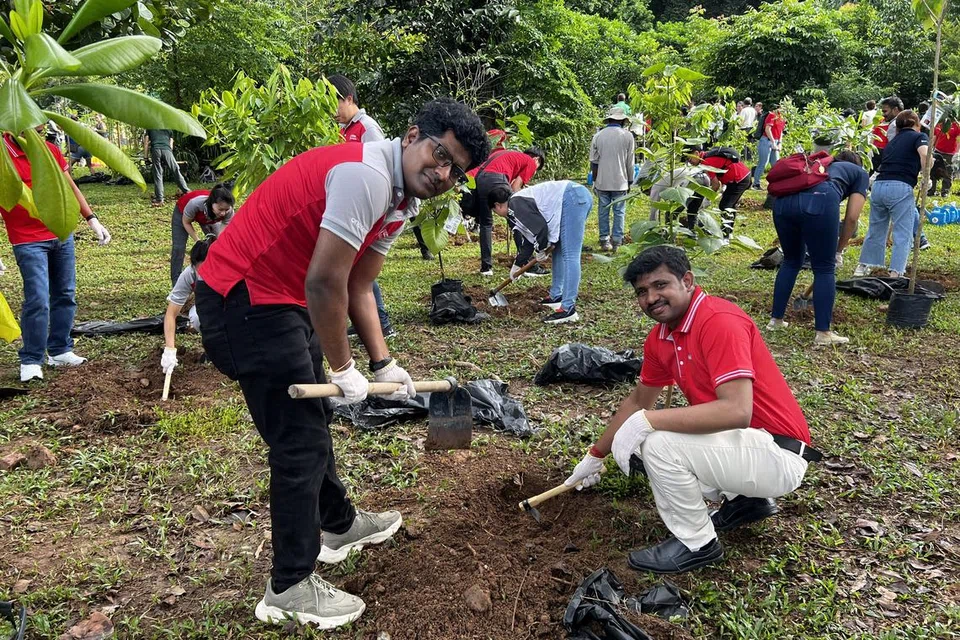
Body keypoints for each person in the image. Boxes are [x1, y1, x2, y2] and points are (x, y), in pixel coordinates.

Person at [194, 98, 488, 628]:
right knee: (298, 441)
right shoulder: (365, 178)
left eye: (455, 170)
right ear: (411, 134)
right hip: (242, 298)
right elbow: (325, 282)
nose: (442, 173)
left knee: (314, 423)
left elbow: (358, 283)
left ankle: (338, 525)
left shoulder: (402, 201)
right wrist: (342, 366)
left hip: (281, 301)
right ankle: (288, 588)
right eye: (438, 155)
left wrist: (383, 363)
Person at [563, 245, 821, 574]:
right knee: (655, 429)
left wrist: (647, 423)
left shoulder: (718, 321)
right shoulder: (661, 338)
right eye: (642, 291)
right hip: (750, 447)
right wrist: (596, 454)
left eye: (660, 285)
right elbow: (639, 401)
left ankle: (697, 544)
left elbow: (737, 411)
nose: (651, 298)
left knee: (656, 442)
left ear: (687, 280)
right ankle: (746, 501)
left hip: (777, 454)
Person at [1, 131, 112, 382]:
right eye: (32, 129)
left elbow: (69, 185)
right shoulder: (3, 154)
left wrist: (91, 218)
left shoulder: (49, 149)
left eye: (40, 130)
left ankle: (60, 350)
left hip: (61, 233)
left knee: (65, 293)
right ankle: (31, 358)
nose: (36, 135)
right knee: (38, 299)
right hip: (27, 240)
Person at [327, 73, 406, 332]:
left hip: (368, 208)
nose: (332, 111)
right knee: (354, 266)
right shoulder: (345, 129)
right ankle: (367, 321)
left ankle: (381, 322)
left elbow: (380, 169)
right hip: (352, 205)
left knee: (358, 267)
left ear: (349, 99)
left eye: (334, 103)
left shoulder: (367, 127)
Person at [767, 151, 868, 346]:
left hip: (782, 204)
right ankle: (823, 333)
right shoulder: (859, 173)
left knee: (791, 261)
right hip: (819, 199)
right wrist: (839, 250)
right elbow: (852, 218)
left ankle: (776, 320)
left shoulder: (817, 165)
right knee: (824, 268)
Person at [489, 180, 593, 324]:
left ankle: (568, 309)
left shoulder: (515, 205)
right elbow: (528, 241)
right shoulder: (516, 207)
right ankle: (556, 296)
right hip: (573, 197)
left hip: (572, 198)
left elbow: (541, 229)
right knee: (559, 252)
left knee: (570, 255)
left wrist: (541, 249)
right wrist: (517, 265)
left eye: (494, 211)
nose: (497, 214)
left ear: (497, 205)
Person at [855, 110, 928, 278]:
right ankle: (896, 273)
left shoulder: (892, 141)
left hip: (879, 187)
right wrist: (926, 175)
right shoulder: (919, 137)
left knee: (876, 229)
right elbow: (925, 154)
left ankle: (863, 266)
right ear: (916, 124)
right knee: (903, 232)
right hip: (900, 187)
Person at [465, 147, 545, 276]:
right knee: (516, 220)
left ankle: (486, 268)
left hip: (480, 180)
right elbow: (515, 187)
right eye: (537, 168)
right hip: (496, 179)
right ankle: (527, 265)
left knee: (486, 223)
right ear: (536, 159)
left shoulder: (505, 154)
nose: (534, 172)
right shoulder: (530, 162)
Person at [161, 238, 212, 376]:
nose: (204, 276)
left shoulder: (233, 269)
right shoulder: (189, 274)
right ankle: (213, 349)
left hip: (234, 307)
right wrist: (170, 350)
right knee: (197, 316)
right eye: (200, 271)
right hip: (209, 306)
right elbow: (171, 314)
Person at [169, 185, 235, 286]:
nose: (223, 213)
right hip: (183, 212)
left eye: (226, 210)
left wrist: (218, 241)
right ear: (212, 203)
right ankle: (176, 282)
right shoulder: (195, 203)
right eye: (220, 209)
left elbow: (224, 229)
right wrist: (198, 240)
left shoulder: (228, 211)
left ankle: (214, 280)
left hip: (209, 218)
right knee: (179, 248)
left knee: (217, 247)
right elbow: (186, 222)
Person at [590, 106, 635, 252]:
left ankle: (604, 240)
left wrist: (595, 181)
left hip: (602, 180)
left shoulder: (598, 136)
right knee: (619, 211)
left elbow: (594, 162)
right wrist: (630, 180)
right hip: (620, 181)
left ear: (609, 119)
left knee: (603, 211)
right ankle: (617, 241)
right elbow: (630, 161)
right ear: (622, 121)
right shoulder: (627, 136)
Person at [690, 149, 752, 238]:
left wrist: (707, 199)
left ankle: (726, 235)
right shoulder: (708, 156)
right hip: (740, 177)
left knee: (725, 206)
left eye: (690, 159)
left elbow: (715, 185)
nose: (690, 162)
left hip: (739, 179)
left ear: (696, 154)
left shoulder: (706, 162)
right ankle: (727, 232)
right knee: (729, 205)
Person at [144, 128, 190, 207]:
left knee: (158, 174)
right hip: (167, 150)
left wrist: (145, 157)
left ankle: (159, 199)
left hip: (156, 150)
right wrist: (167, 158)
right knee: (175, 170)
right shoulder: (168, 129)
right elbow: (171, 145)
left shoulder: (150, 128)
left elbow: (146, 143)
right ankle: (187, 192)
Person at [752, 103, 785, 189]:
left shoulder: (782, 118)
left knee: (776, 164)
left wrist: (779, 143)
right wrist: (773, 142)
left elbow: (781, 132)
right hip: (766, 141)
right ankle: (756, 183)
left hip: (776, 141)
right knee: (763, 163)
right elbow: (767, 129)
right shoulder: (771, 115)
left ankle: (776, 183)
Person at [929, 119, 960, 197]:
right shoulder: (939, 123)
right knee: (933, 170)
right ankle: (931, 189)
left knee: (947, 172)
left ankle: (945, 191)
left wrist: (957, 153)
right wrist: (930, 149)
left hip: (950, 153)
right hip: (937, 151)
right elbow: (935, 136)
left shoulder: (956, 125)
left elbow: (958, 140)